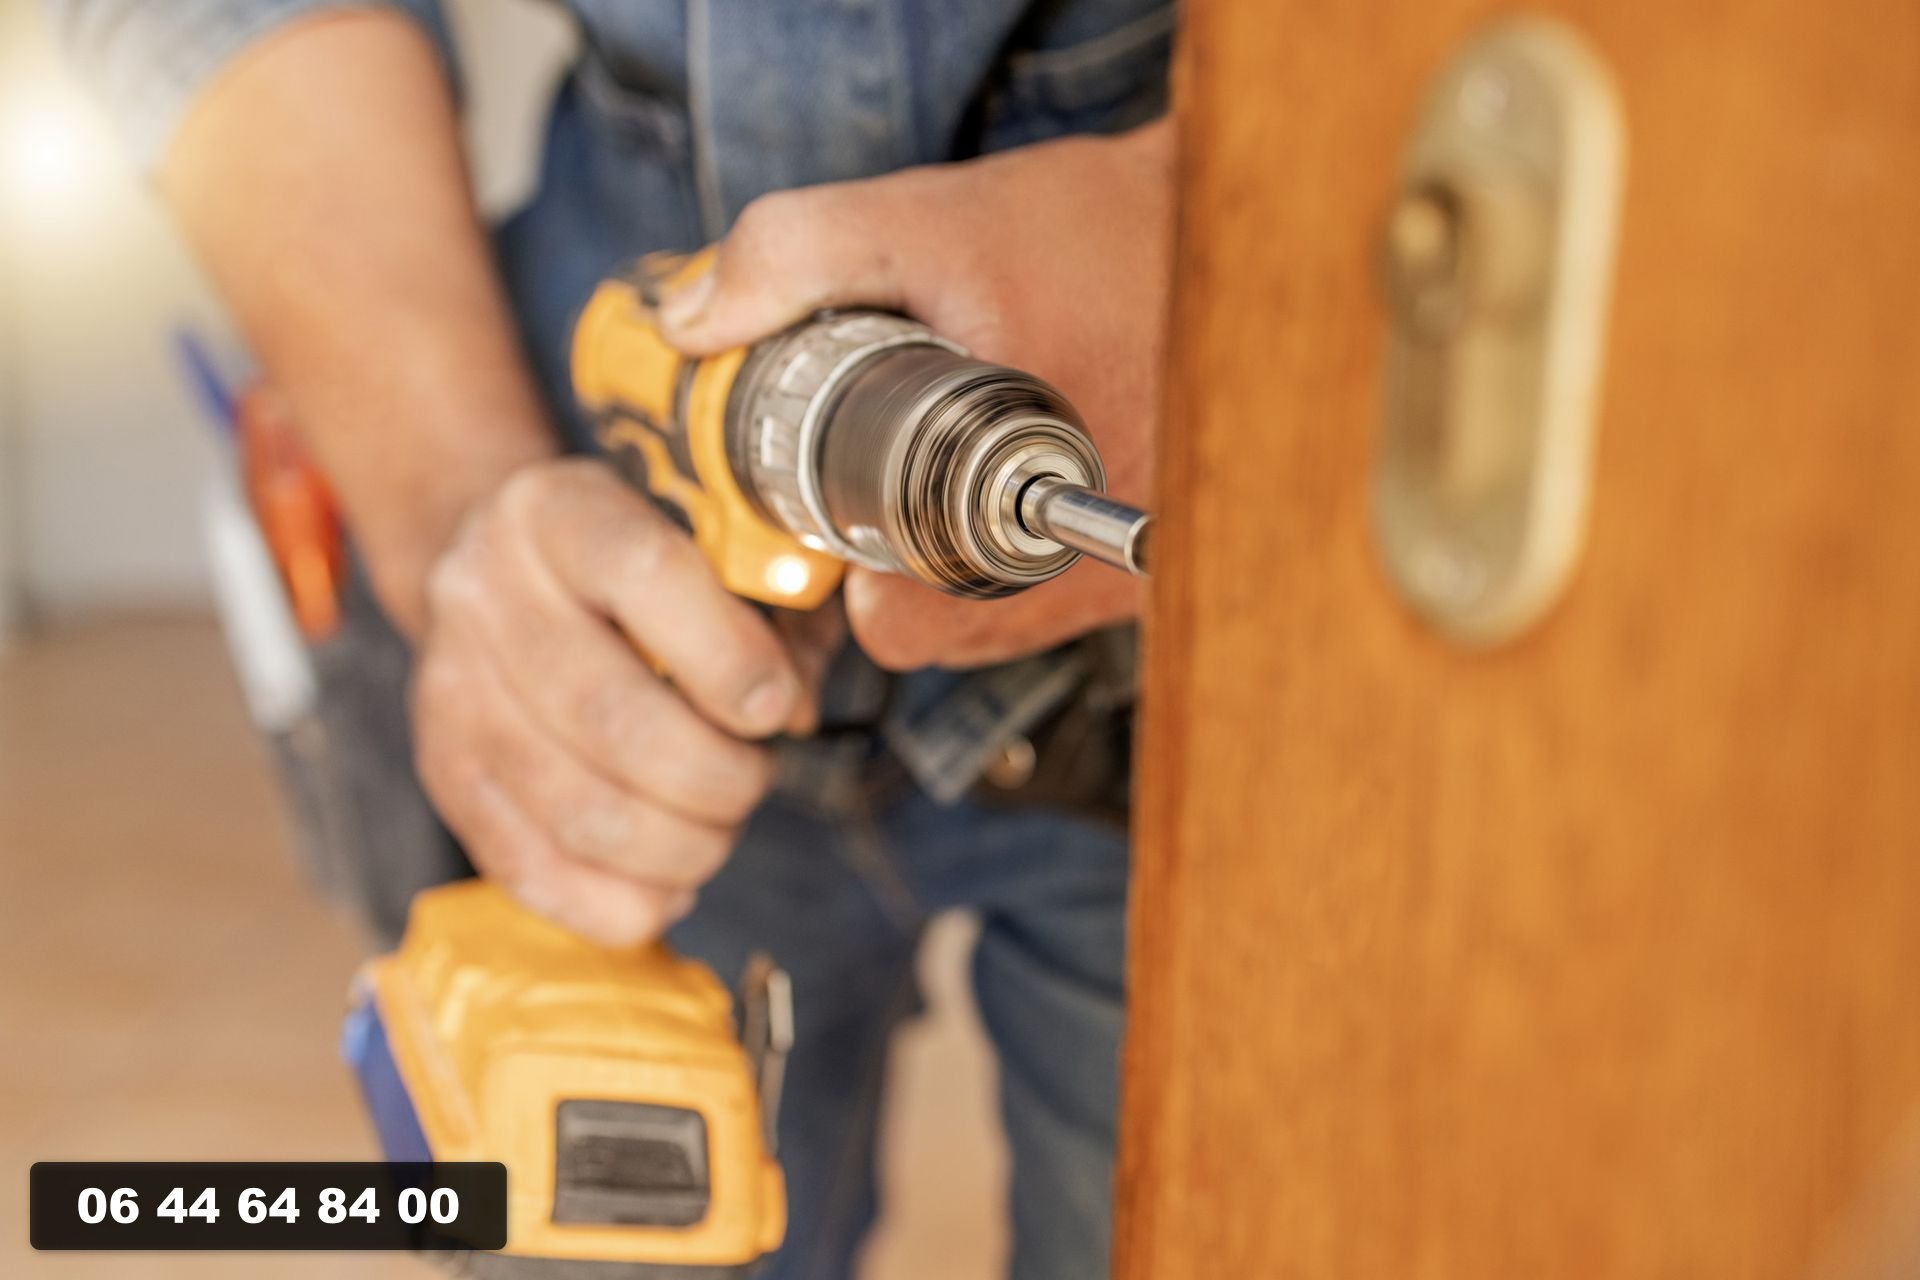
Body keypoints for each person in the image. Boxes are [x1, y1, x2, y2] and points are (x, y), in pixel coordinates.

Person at [49, 2, 1174, 1275]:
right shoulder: (631, 390)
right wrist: (452, 495)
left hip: (1177, 711)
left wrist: (1201, 235)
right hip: (600, 623)